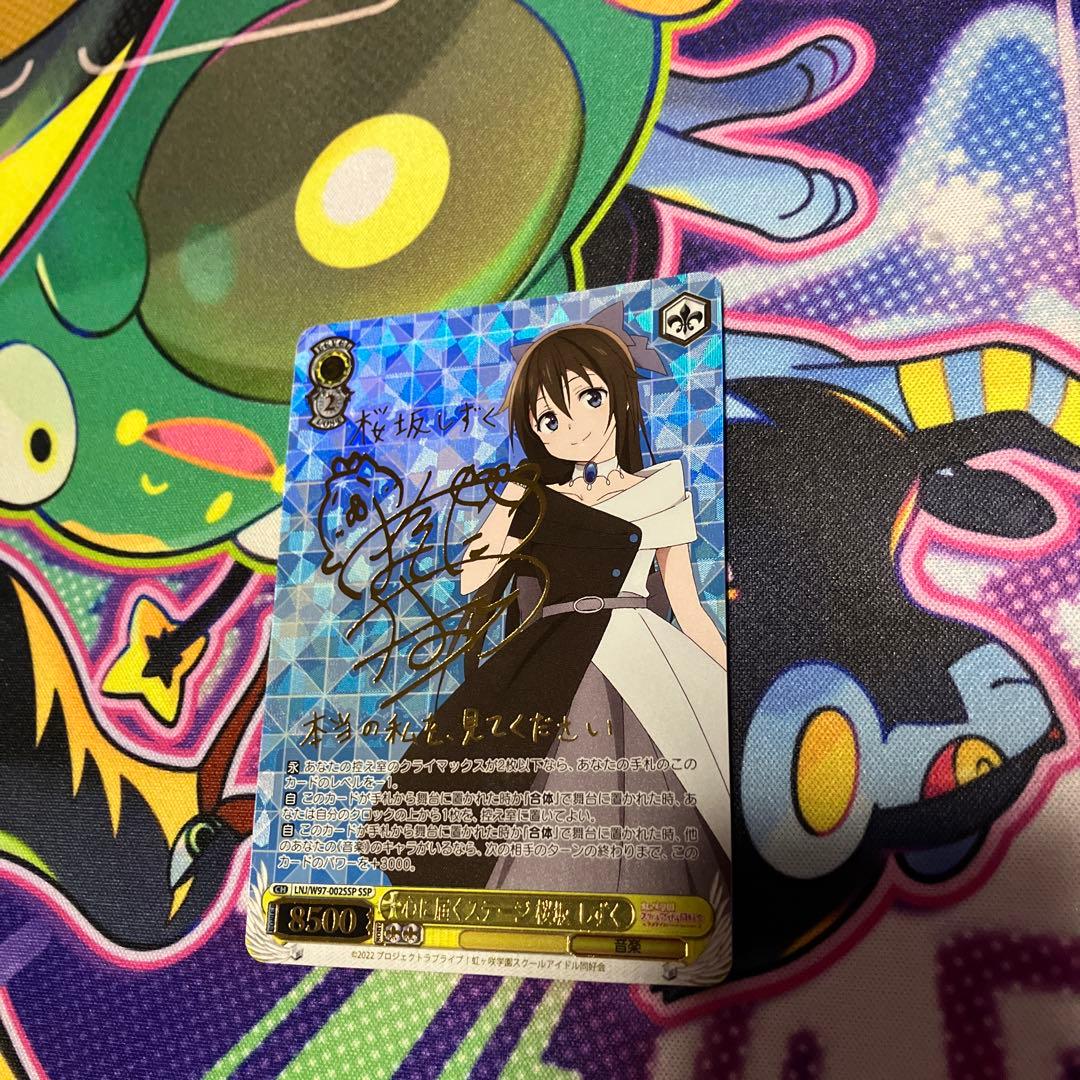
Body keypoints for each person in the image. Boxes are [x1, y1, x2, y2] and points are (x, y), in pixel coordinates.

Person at [386, 303, 731, 917]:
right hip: (550, 655)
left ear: (618, 398)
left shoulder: (658, 487)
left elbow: (688, 605)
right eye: (549, 417)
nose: (571, 428)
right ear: (536, 431)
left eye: (587, 399)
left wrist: (728, 682)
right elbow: (472, 579)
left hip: (639, 655)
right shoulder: (536, 497)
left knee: (648, 805)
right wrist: (510, 505)